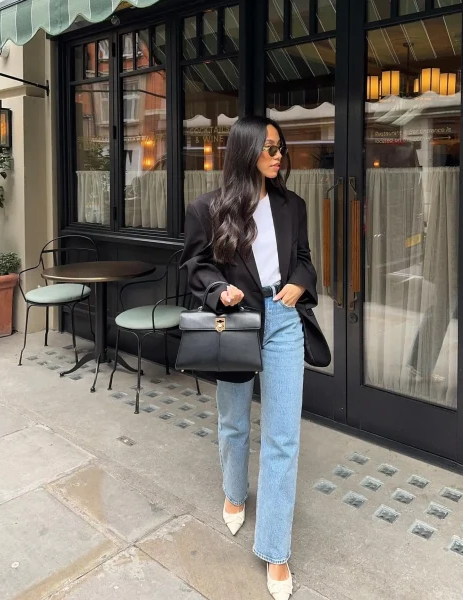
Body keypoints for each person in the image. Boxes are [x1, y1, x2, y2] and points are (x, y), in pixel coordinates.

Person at [181, 116, 322, 600]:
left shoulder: (292, 205)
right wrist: (219, 291)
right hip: (235, 320)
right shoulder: (209, 208)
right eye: (267, 148)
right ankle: (235, 491)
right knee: (234, 421)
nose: (277, 156)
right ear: (244, 152)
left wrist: (300, 283)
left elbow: (302, 257)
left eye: (280, 148)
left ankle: (276, 550)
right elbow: (195, 266)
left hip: (283, 320)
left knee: (283, 435)